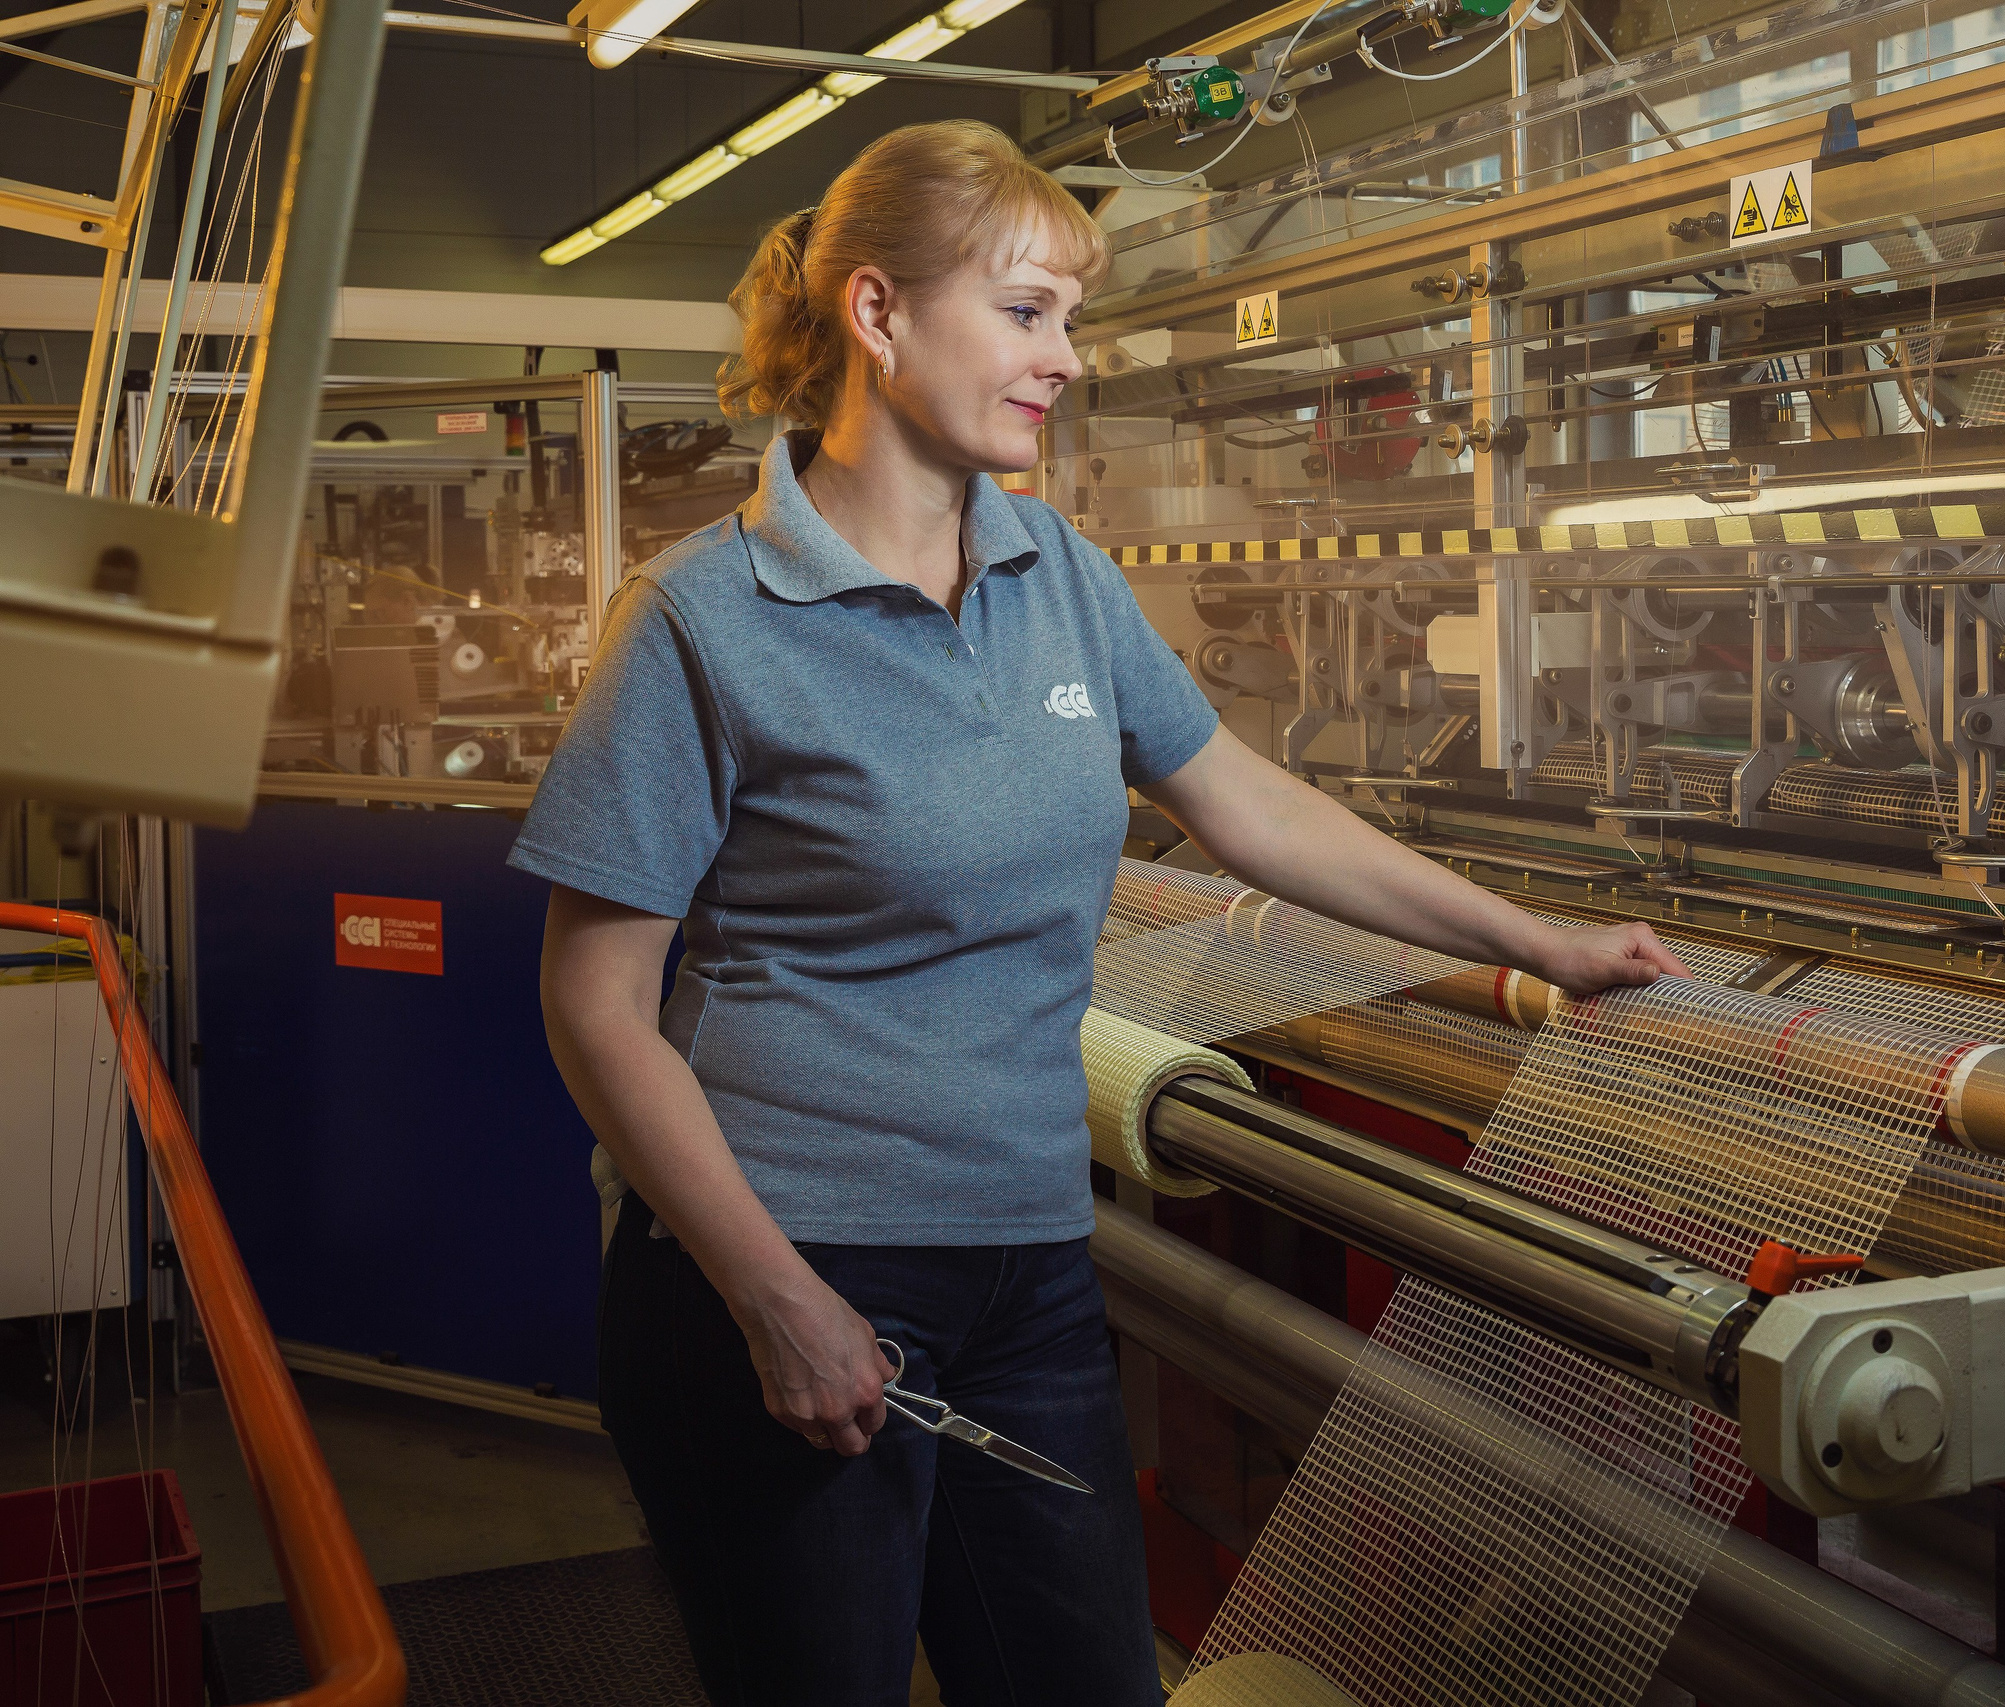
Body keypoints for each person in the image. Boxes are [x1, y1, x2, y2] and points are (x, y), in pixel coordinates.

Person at [513, 118, 1686, 1707]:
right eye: (1028, 311)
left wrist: (1533, 942)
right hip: (785, 1259)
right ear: (877, 316)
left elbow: (1251, 804)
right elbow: (595, 1003)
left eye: (1071, 315)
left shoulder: (1054, 569)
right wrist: (774, 1298)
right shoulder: (702, 620)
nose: (1067, 358)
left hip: (1027, 1265)